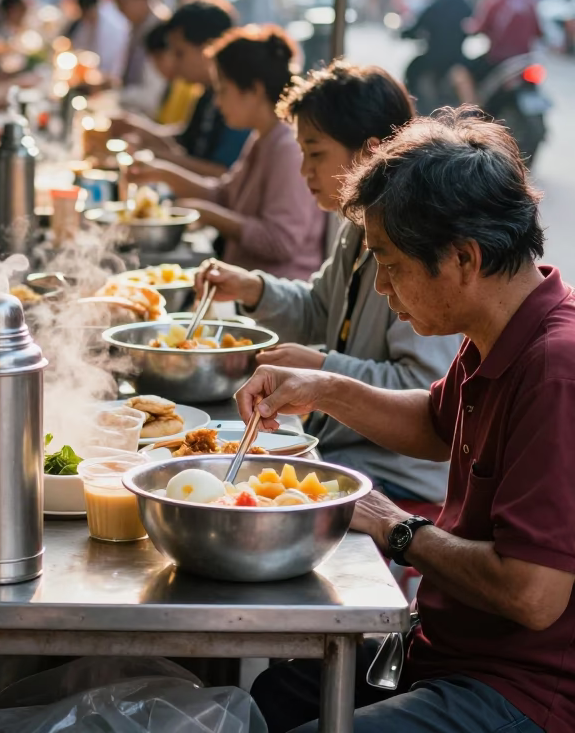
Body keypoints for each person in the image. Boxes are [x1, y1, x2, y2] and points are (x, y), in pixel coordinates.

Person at [245, 110, 573, 733]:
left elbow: (533, 594)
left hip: (523, 691)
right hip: (445, 648)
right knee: (279, 688)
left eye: (391, 266)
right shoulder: (496, 332)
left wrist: (396, 527)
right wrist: (323, 388)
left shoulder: (557, 370)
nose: (385, 290)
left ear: (463, 259)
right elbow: (433, 423)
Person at [197, 63, 458, 503]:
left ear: (371, 153)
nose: (304, 171)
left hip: (395, 473)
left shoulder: (415, 246)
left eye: (316, 153)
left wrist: (320, 370)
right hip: (343, 445)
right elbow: (321, 311)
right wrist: (253, 289)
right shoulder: (355, 228)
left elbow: (424, 390)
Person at [134, 25, 326, 280]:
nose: (217, 102)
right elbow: (225, 194)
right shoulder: (262, 137)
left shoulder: (287, 148)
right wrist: (162, 173)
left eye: (222, 90)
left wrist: (207, 214)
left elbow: (280, 242)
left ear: (254, 91)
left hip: (276, 296)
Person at [114, 0, 250, 177]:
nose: (175, 64)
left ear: (209, 48)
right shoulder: (207, 93)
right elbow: (185, 140)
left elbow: (223, 173)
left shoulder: (240, 98)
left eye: (180, 53)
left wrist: (156, 156)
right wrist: (140, 130)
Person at [456, 0, 543, 103]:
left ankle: (470, 113)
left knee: (460, 72)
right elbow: (539, 32)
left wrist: (467, 26)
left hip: (499, 60)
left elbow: (479, 27)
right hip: (525, 59)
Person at [402, 0, 472, 112]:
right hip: (457, 56)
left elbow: (415, 27)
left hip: (434, 57)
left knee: (412, 71)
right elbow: (473, 24)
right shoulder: (463, 2)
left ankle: (413, 111)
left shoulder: (432, 3)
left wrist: (404, 32)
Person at [108, 0, 168, 114]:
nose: (119, 10)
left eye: (122, 2)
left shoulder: (160, 32)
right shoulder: (135, 28)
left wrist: (114, 96)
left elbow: (152, 97)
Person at [144, 21, 200, 128]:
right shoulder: (173, 85)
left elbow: (182, 138)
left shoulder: (191, 88)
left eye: (179, 53)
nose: (157, 66)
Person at [68, 0, 129, 82]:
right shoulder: (85, 24)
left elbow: (117, 56)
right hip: (93, 73)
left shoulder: (113, 25)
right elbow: (79, 46)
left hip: (111, 75)